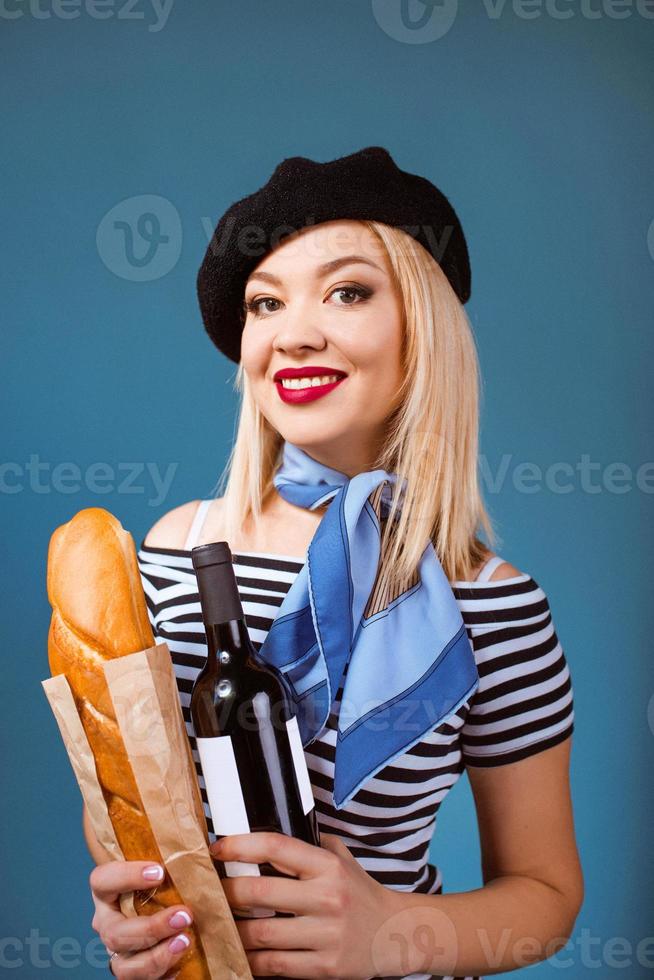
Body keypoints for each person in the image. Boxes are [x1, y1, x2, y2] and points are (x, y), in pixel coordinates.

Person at [83, 147, 583, 980]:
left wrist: (389, 932)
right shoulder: (174, 552)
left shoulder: (498, 606)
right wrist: (128, 908)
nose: (294, 333)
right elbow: (138, 815)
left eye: (347, 291)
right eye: (265, 304)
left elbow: (545, 894)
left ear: (421, 326)